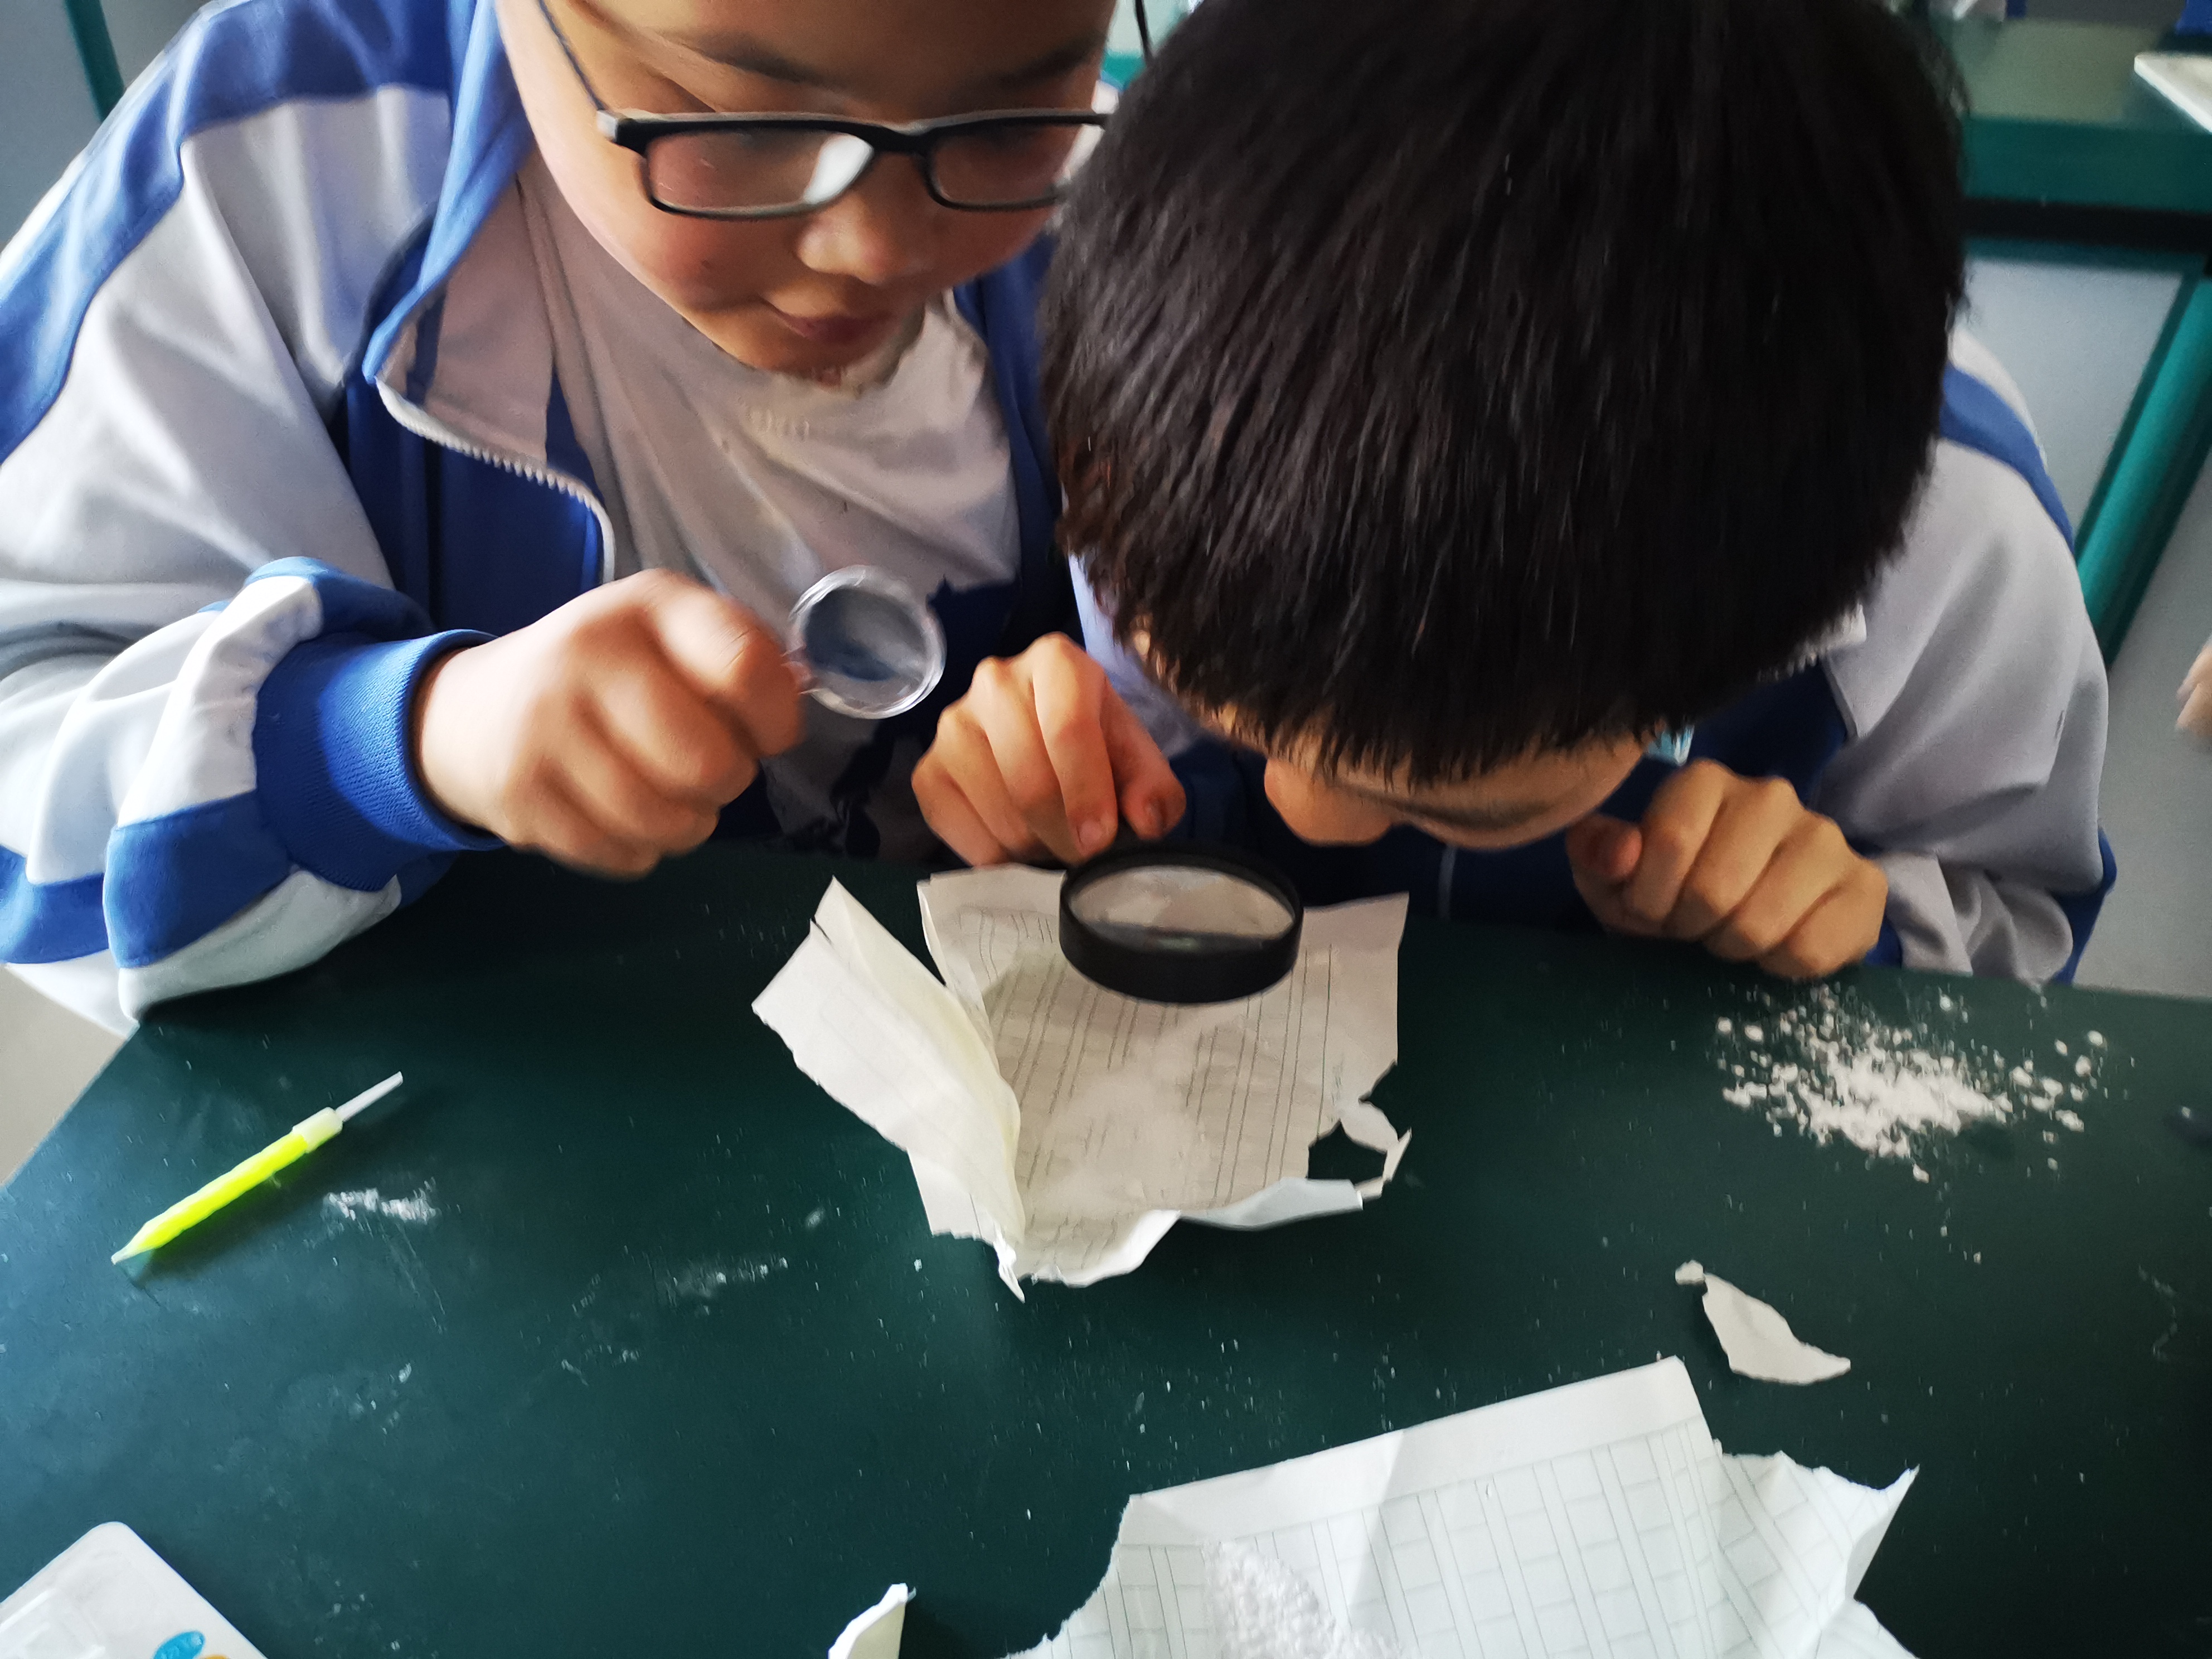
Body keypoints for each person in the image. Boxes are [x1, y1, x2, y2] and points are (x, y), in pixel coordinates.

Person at [914, 0, 2114, 983]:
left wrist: (1866, 925)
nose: (1306, 815)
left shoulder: (1964, 571)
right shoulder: (1162, 405)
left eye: (1459, 805)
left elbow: (2022, 919)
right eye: (1230, 713)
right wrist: (1068, 781)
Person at [0, 0, 1118, 1031]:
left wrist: (1103, 752)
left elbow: (1199, 699)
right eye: (739, 126)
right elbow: (25, 793)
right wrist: (401, 741)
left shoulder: (1117, 213)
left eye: (1005, 126)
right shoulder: (266, 169)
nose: (875, 249)